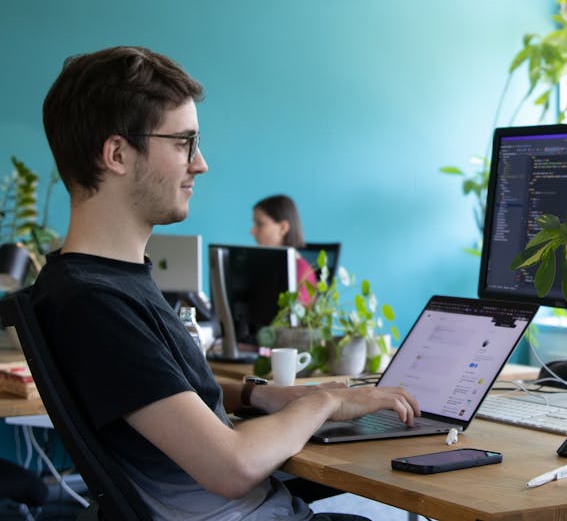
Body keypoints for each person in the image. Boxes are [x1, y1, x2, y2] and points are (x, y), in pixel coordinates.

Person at [31, 46, 420, 520]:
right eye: (183, 143)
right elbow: (232, 466)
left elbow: (150, 390)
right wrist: (326, 399)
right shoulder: (95, 302)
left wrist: (258, 394)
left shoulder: (94, 282)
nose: (200, 164)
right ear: (116, 154)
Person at [251, 194, 318, 305]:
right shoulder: (262, 266)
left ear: (283, 228)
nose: (252, 231)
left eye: (260, 224)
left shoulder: (302, 272)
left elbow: (297, 320)